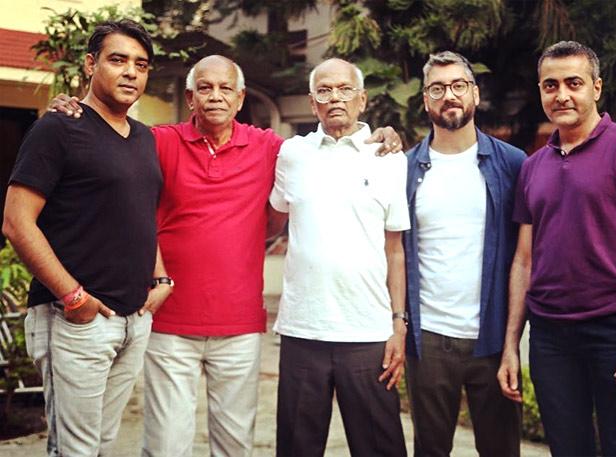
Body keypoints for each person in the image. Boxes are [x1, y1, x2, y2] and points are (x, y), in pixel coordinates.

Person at [50, 54, 402, 457]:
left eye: (225, 89)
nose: (215, 97)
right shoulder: (158, 141)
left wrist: (379, 134)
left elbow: (336, 146)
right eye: (205, 88)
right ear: (191, 96)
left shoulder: (274, 148)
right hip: (169, 322)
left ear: (240, 98)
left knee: (235, 448)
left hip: (239, 327)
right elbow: (112, 148)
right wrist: (72, 109)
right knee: (166, 447)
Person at [2, 20, 171, 456]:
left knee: (101, 445)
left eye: (141, 64)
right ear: (91, 64)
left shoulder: (143, 138)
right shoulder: (59, 128)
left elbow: (136, 212)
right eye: (118, 60)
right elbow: (17, 222)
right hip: (76, 319)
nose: (131, 72)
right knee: (74, 451)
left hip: (132, 319)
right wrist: (74, 298)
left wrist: (160, 278)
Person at [498, 40, 616, 456]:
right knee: (566, 449)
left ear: (596, 87)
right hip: (550, 337)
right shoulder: (533, 166)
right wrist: (510, 345)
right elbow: (524, 260)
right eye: (550, 85)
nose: (561, 95)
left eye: (573, 83)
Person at [269, 58, 409, 457]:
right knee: (297, 446)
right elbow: (277, 212)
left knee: (380, 447)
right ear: (312, 104)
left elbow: (394, 249)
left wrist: (398, 324)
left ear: (362, 99)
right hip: (303, 330)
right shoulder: (292, 155)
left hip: (366, 333)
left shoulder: (388, 158)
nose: (335, 98)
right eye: (324, 91)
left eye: (344, 89)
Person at [403, 51, 524, 456]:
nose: (448, 95)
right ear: (425, 99)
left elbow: (526, 254)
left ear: (474, 93)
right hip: (430, 339)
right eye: (437, 88)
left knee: (501, 449)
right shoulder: (404, 169)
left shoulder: (511, 164)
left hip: (491, 338)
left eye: (458, 85)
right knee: (430, 449)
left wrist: (512, 341)